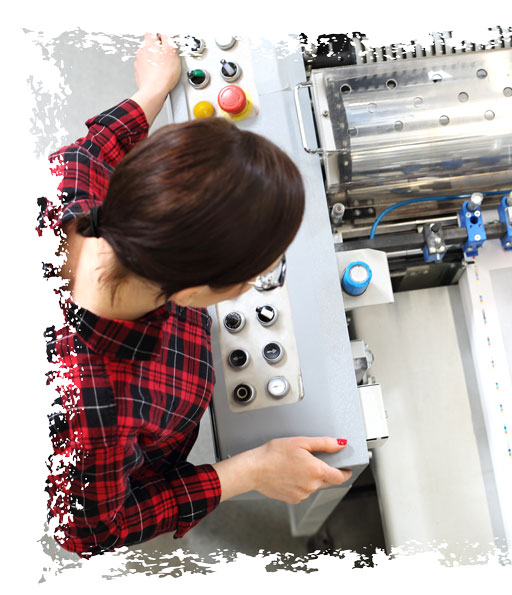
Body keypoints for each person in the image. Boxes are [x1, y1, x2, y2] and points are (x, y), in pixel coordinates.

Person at [43, 33, 352, 558]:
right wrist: (249, 471)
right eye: (259, 272)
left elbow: (95, 150)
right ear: (192, 293)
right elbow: (90, 531)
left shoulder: (66, 183)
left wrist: (153, 89)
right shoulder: (93, 411)